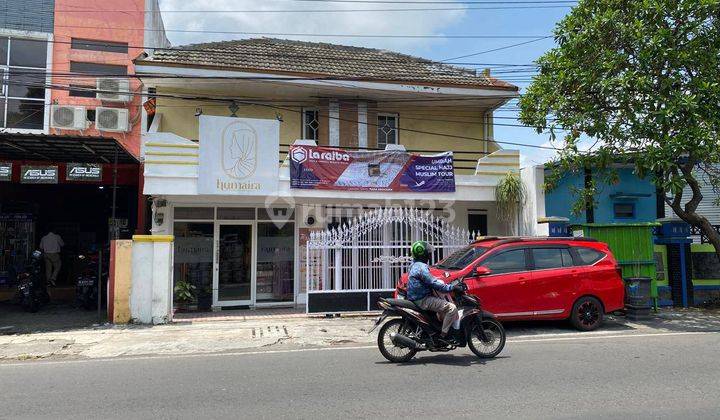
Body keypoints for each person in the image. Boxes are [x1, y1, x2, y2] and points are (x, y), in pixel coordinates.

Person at [406, 240, 463, 341]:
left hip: (416, 297)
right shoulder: (422, 267)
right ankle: (443, 336)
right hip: (423, 300)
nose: (429, 256)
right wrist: (450, 287)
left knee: (442, 307)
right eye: (428, 253)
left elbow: (429, 279)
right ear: (423, 254)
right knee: (452, 308)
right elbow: (432, 282)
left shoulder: (414, 265)